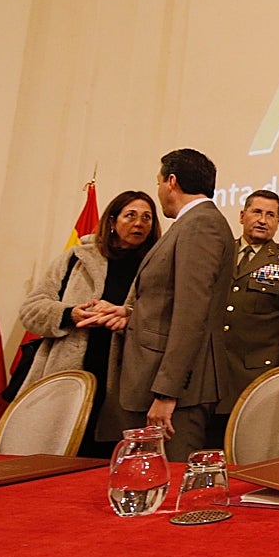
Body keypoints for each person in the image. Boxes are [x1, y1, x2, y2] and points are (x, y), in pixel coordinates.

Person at [96, 148, 235, 462]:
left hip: (177, 392)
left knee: (169, 486)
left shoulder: (201, 225)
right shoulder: (191, 224)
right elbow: (171, 301)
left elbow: (192, 313)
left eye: (159, 182)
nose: (159, 191)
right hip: (156, 380)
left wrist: (167, 393)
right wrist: (131, 313)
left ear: (171, 181)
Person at [16, 190, 159, 457]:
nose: (139, 223)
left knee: (107, 461)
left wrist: (128, 316)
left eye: (147, 218)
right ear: (113, 221)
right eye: (131, 215)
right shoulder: (77, 258)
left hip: (124, 379)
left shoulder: (157, 265)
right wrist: (70, 314)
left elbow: (163, 316)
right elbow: (31, 310)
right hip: (68, 374)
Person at [215, 188, 279, 426]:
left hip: (256, 376)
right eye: (256, 212)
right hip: (212, 373)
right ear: (242, 215)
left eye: (270, 215)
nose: (262, 220)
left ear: (278, 222)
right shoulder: (219, 252)